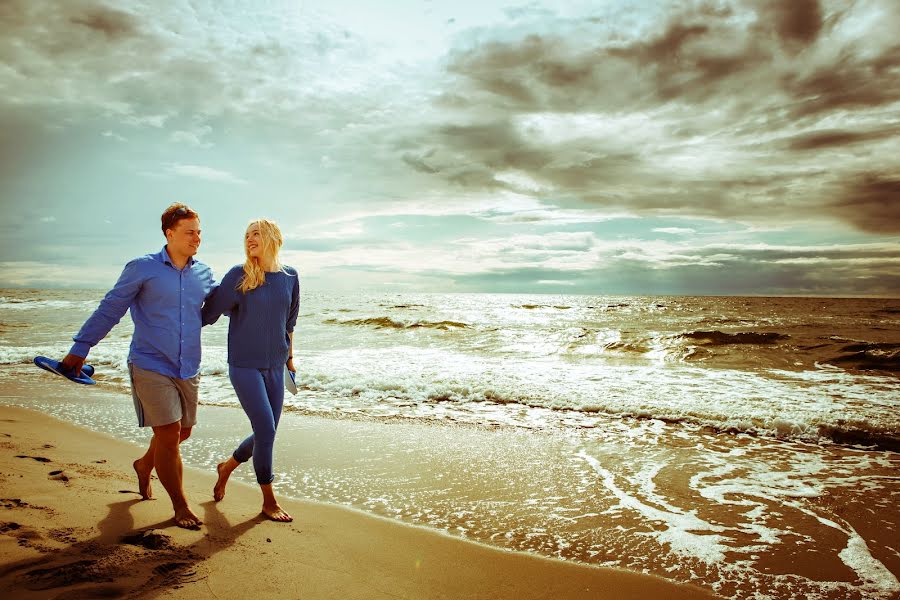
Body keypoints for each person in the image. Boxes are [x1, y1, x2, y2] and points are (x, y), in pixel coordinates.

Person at [60, 203, 215, 529]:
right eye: (190, 232)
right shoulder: (142, 267)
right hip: (150, 363)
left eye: (199, 232)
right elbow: (111, 308)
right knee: (170, 434)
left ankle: (145, 466)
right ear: (169, 233)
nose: (197, 238)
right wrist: (81, 347)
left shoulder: (204, 273)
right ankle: (180, 506)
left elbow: (220, 309)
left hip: (189, 366)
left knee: (182, 432)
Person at [201, 219, 299, 522]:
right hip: (244, 366)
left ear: (273, 238)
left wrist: (290, 360)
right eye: (246, 235)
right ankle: (268, 500)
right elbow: (207, 314)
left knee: (265, 432)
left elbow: (289, 322)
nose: (249, 239)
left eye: (255, 233)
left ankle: (227, 467)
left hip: (276, 366)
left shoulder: (290, 277)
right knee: (266, 431)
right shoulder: (239, 275)